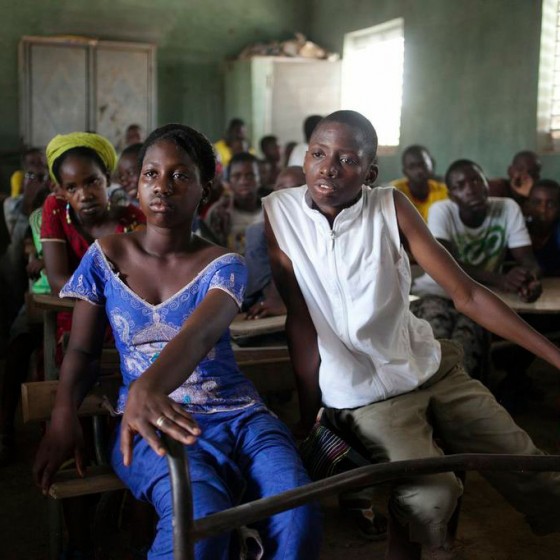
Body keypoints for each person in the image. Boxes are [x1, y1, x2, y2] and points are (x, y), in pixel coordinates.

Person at [264, 110, 560, 560]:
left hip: (428, 366)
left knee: (532, 469)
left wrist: (555, 356)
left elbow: (467, 295)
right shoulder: (280, 214)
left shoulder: (390, 206)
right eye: (319, 154)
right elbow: (300, 321)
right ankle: (431, 543)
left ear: (370, 173)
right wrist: (310, 413)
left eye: (347, 160)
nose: (328, 168)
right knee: (432, 495)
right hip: (364, 395)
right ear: (305, 158)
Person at [33, 123, 321, 560]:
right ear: (136, 182)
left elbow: (200, 335)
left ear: (206, 189)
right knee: (198, 517)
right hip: (149, 419)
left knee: (296, 507)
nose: (161, 187)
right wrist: (61, 413)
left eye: (180, 176)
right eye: (151, 174)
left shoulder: (225, 264)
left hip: (242, 417)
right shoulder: (106, 255)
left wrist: (147, 385)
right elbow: (82, 350)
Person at [410, 159, 541, 377]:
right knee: (434, 343)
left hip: (479, 298)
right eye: (460, 186)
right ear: (451, 195)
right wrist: (502, 280)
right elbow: (447, 264)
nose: (470, 189)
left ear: (486, 185)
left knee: (465, 348)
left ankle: (462, 403)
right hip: (437, 292)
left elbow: (528, 261)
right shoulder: (441, 211)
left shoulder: (507, 208)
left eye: (476, 180)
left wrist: (529, 279)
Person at [244, 166, 305, 318]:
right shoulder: (260, 229)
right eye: (281, 190)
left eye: (295, 190)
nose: (286, 196)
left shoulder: (315, 226)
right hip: (265, 295)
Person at [205, 152, 262, 253]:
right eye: (237, 176)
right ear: (229, 181)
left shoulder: (271, 210)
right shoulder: (219, 213)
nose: (243, 181)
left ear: (259, 179)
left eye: (250, 176)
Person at [391, 145, 448, 222]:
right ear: (405, 171)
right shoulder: (395, 192)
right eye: (412, 166)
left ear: (432, 165)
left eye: (423, 164)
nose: (419, 171)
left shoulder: (444, 191)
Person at [526, 179, 560, 276]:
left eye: (551, 204)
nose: (543, 209)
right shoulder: (517, 228)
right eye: (536, 202)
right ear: (527, 206)